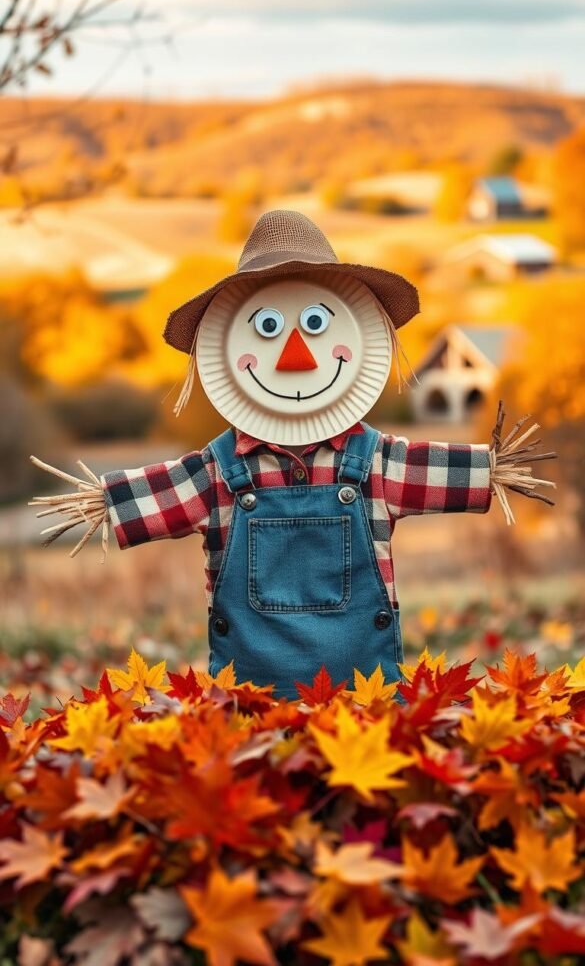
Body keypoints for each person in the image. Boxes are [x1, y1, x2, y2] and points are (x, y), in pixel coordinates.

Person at [30, 210, 556, 698]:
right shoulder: (217, 475)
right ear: (225, 349)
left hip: (364, 706)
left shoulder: (377, 464)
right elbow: (146, 497)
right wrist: (105, 502)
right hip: (252, 709)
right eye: (268, 327)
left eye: (317, 324)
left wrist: (493, 471)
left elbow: (456, 472)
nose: (296, 356)